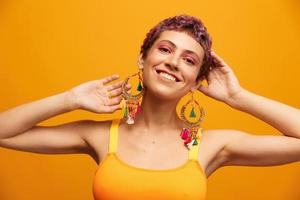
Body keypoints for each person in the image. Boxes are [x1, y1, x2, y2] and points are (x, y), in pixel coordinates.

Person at [0, 15, 300, 200]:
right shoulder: (102, 136)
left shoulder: (209, 145)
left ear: (197, 81)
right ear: (142, 59)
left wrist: (238, 97)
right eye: (165, 49)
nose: (173, 61)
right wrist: (69, 100)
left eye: (189, 59)